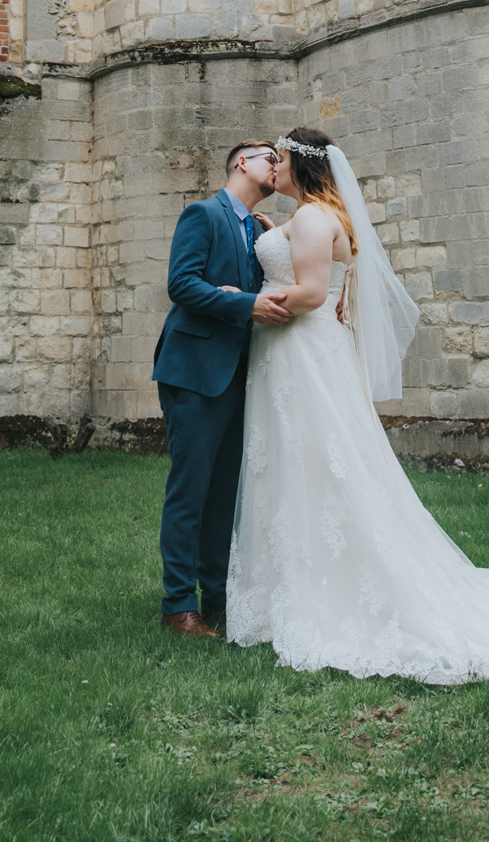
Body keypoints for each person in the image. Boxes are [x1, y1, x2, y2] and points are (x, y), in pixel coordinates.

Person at [226, 127, 489, 683]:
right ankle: (295, 580)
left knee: (316, 460)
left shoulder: (309, 219)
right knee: (304, 459)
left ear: (299, 166)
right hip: (300, 354)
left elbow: (309, 295)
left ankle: (323, 589)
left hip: (300, 352)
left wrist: (244, 298)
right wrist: (270, 234)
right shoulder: (311, 217)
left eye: (279, 159)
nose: (273, 168)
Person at [152, 140, 292, 637]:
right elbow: (182, 284)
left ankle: (218, 596)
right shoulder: (202, 214)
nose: (276, 164)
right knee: (191, 491)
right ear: (241, 163)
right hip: (193, 371)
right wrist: (241, 303)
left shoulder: (257, 228)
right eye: (268, 157)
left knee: (225, 495)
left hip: (239, 375)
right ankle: (177, 606)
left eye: (280, 158)